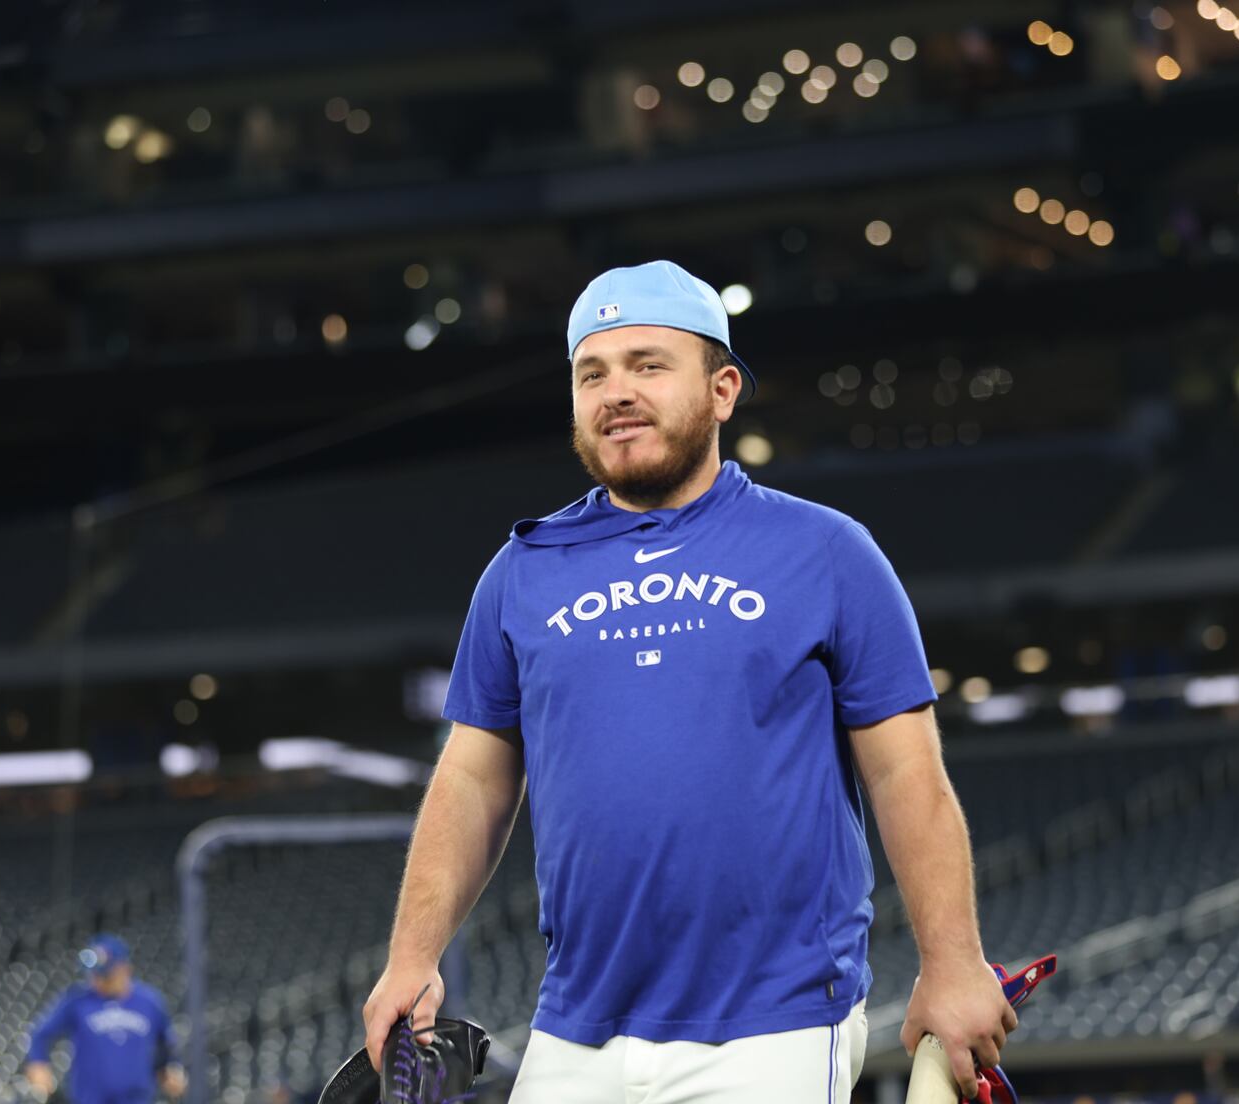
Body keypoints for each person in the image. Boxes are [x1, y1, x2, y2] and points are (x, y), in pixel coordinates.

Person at [363, 259, 1017, 1102]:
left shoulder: (826, 552)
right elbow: (472, 780)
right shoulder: (520, 572)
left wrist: (954, 964)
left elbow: (907, 775)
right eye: (591, 373)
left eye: (648, 364)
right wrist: (411, 959)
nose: (616, 392)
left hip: (772, 1028)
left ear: (723, 389)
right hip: (575, 1027)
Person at [25, 934, 185, 1104]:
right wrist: (38, 1063)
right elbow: (40, 1034)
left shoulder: (149, 1001)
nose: (97, 980)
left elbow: (166, 1045)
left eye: (105, 975)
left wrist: (170, 1068)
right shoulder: (78, 999)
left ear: (125, 969)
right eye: (94, 975)